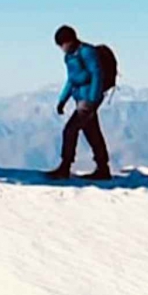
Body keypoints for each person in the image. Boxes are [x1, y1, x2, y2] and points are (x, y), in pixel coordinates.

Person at [45, 26, 111, 181]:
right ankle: (103, 169)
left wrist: (93, 99)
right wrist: (62, 100)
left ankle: (65, 167)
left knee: (70, 130)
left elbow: (97, 74)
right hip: (80, 98)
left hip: (88, 99)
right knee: (92, 132)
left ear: (70, 40)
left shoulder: (87, 52)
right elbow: (72, 80)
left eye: (62, 44)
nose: (62, 48)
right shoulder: (70, 57)